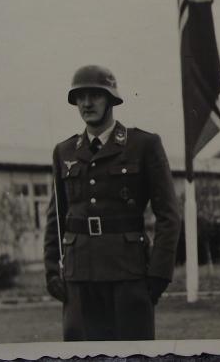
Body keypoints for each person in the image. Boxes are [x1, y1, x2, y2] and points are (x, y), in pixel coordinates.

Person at [43, 65, 181, 341]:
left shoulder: (143, 145)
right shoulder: (65, 151)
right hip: (78, 276)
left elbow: (169, 216)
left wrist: (158, 275)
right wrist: (51, 271)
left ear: (111, 99)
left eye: (95, 95)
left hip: (128, 275)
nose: (86, 103)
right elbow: (56, 217)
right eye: (80, 96)